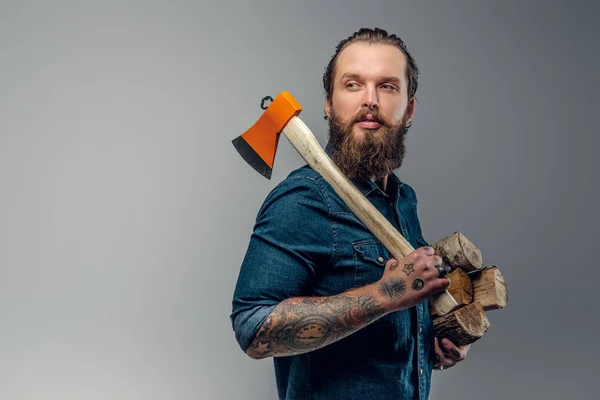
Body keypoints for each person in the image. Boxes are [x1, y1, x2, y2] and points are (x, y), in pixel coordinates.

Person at [230, 27, 471, 400]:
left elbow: (399, 310)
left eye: (387, 86)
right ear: (329, 103)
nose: (370, 100)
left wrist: (429, 337)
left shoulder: (402, 199)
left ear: (408, 109)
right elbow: (252, 328)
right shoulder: (303, 199)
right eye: (353, 85)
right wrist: (386, 294)